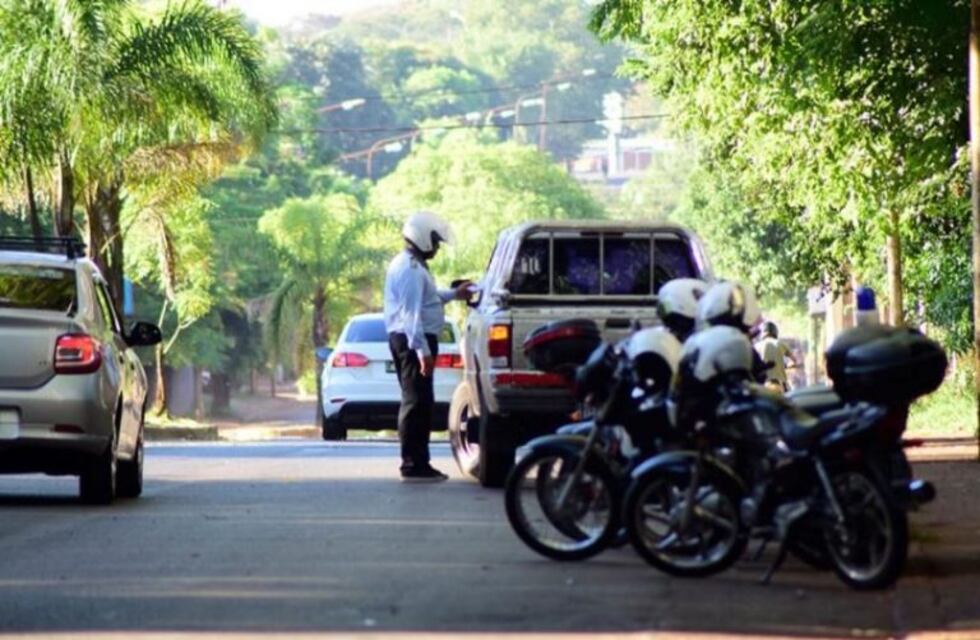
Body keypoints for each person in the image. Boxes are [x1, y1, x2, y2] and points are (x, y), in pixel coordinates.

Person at [384, 211, 472, 482]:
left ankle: (419, 462)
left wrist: (455, 294)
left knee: (421, 402)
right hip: (413, 341)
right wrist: (422, 352)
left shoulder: (414, 265)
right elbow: (411, 316)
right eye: (435, 242)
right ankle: (413, 465)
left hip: (413, 340)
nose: (436, 248)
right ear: (422, 238)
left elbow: (428, 299)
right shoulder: (410, 269)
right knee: (415, 402)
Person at [754, 321, 798, 392]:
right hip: (780, 383)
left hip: (763, 384)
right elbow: (794, 360)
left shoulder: (756, 346)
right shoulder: (780, 343)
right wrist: (787, 366)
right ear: (775, 332)